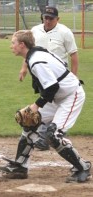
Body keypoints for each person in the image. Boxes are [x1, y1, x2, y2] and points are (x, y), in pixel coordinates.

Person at [0, 30, 91, 183]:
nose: (11, 46)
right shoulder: (33, 55)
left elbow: (52, 87)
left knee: (54, 134)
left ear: (22, 45)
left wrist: (35, 106)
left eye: (13, 42)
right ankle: (21, 166)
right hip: (57, 97)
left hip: (71, 95)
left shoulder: (36, 60)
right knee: (29, 125)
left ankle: (83, 167)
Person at [18, 6, 80, 151]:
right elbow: (29, 52)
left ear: (57, 19)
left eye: (51, 18)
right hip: (41, 72)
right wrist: (24, 68)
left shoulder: (65, 32)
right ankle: (47, 136)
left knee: (53, 100)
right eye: (45, 17)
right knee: (49, 102)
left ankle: (53, 134)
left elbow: (74, 56)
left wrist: (74, 77)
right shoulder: (35, 30)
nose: (47, 20)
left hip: (59, 74)